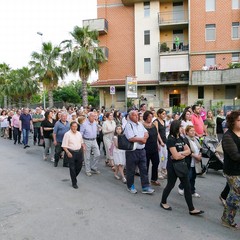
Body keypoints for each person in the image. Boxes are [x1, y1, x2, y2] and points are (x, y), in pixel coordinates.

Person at [160, 120, 204, 215]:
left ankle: (191, 209)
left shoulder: (181, 138)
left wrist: (180, 153)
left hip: (182, 165)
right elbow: (175, 157)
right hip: (172, 166)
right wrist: (181, 154)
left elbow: (189, 151)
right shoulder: (171, 140)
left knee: (187, 186)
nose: (182, 128)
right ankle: (163, 202)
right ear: (176, 128)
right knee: (170, 185)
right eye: (180, 127)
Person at [124, 110, 154, 194]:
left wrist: (144, 138)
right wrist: (142, 140)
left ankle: (145, 186)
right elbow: (131, 138)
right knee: (131, 170)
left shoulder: (140, 124)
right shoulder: (128, 125)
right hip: (132, 151)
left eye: (137, 115)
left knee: (144, 169)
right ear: (130, 116)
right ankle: (130, 186)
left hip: (142, 151)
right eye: (134, 115)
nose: (137, 117)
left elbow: (146, 132)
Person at [221, 110, 240, 229]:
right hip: (232, 171)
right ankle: (227, 219)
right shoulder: (228, 136)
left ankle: (227, 218)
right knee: (235, 196)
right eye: (239, 120)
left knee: (234, 195)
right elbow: (235, 156)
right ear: (232, 122)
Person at [178, 125, 202, 198]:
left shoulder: (196, 139)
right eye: (191, 131)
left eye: (194, 131)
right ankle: (181, 186)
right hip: (189, 161)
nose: (193, 132)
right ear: (187, 132)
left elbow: (200, 149)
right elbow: (187, 151)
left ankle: (192, 191)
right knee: (188, 176)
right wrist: (196, 156)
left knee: (193, 177)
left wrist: (200, 155)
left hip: (196, 162)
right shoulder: (185, 140)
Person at [62, 122, 86, 189]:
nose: (74, 128)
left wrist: (83, 146)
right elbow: (64, 145)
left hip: (79, 152)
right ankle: (74, 183)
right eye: (73, 126)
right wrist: (67, 152)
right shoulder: (67, 134)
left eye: (76, 126)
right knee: (72, 168)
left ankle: (73, 176)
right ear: (70, 127)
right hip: (71, 152)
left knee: (79, 167)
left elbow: (81, 142)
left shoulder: (79, 133)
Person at [80, 112, 101, 176]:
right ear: (88, 117)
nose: (93, 117)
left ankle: (93, 167)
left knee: (98, 154)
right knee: (87, 157)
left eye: (94, 116)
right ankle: (88, 170)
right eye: (92, 116)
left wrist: (99, 130)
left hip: (94, 140)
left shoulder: (95, 122)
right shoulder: (84, 124)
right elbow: (81, 134)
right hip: (86, 140)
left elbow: (97, 130)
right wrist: (82, 143)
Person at [143, 111, 160, 186]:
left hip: (154, 147)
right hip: (146, 148)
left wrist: (158, 144)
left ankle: (154, 179)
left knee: (156, 162)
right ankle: (145, 180)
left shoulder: (153, 125)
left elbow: (156, 136)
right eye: (149, 117)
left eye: (151, 117)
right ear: (146, 117)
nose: (150, 118)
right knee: (145, 165)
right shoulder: (142, 126)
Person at [153, 108, 168, 179]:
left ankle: (163, 170)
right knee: (160, 157)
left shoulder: (164, 121)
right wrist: (160, 142)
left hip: (165, 141)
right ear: (159, 114)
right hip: (159, 142)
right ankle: (158, 171)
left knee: (165, 157)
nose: (164, 115)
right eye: (163, 114)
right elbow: (157, 132)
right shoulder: (156, 121)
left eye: (165, 114)